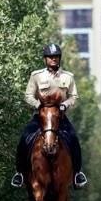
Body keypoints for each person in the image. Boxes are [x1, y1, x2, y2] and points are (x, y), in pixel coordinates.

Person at [11, 43, 88, 189]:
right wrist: (37, 105)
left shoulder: (68, 77)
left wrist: (65, 105)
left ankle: (78, 174)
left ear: (59, 59)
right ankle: (19, 173)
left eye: (56, 57)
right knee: (24, 139)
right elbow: (28, 95)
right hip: (41, 116)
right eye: (50, 57)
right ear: (45, 59)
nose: (53, 59)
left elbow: (74, 96)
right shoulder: (36, 76)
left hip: (60, 117)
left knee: (74, 140)